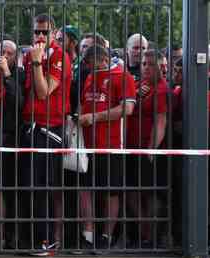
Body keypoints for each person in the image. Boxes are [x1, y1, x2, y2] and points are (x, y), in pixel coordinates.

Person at [19, 13, 72, 256]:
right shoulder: (30, 56)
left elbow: (43, 92)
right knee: (31, 186)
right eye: (36, 32)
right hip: (31, 127)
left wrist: (38, 62)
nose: (40, 36)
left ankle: (49, 242)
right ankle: (36, 238)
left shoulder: (59, 56)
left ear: (53, 33)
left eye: (44, 32)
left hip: (51, 129)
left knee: (45, 187)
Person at [77, 44, 136, 254]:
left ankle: (107, 236)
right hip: (87, 144)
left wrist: (95, 117)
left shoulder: (123, 77)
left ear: (103, 60)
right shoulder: (91, 77)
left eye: (93, 66)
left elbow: (127, 109)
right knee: (85, 189)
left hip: (111, 145)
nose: (90, 70)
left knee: (110, 192)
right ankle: (88, 234)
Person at [0, 39, 25, 250]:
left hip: (11, 139)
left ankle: (11, 234)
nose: (5, 56)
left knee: (9, 188)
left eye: (10, 53)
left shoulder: (18, 75)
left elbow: (18, 102)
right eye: (3, 52)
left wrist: (7, 76)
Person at [126, 50, 168, 249]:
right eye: (143, 63)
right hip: (130, 148)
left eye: (151, 64)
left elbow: (161, 122)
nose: (146, 67)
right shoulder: (136, 85)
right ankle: (144, 233)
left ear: (161, 67)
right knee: (132, 192)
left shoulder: (161, 89)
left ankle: (151, 237)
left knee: (151, 193)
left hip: (149, 150)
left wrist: (152, 148)